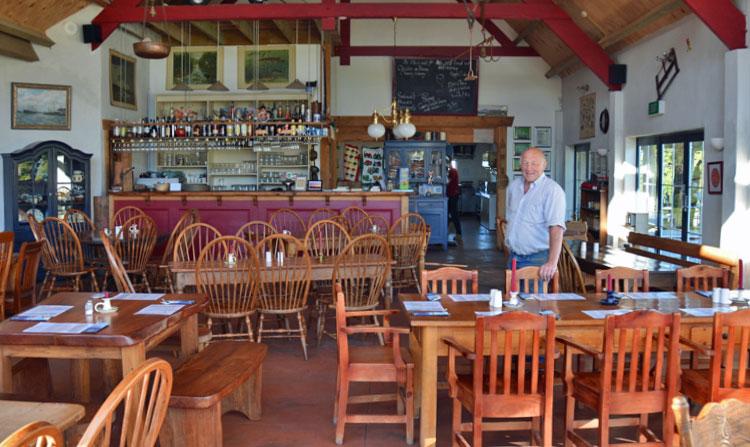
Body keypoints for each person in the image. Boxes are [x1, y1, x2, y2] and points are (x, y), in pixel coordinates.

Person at [505, 147, 566, 281]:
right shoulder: (514, 186)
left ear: (544, 165)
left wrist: (552, 262)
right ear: (520, 165)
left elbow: (556, 228)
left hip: (537, 260)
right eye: (525, 163)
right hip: (513, 257)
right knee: (512, 300)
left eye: (534, 163)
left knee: (532, 302)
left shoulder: (552, 190)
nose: (529, 168)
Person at [447, 163, 462, 244]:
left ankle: (459, 233)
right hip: (452, 195)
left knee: (454, 215)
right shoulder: (453, 171)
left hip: (453, 195)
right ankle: (446, 232)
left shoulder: (452, 171)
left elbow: (448, 181)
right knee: (448, 214)